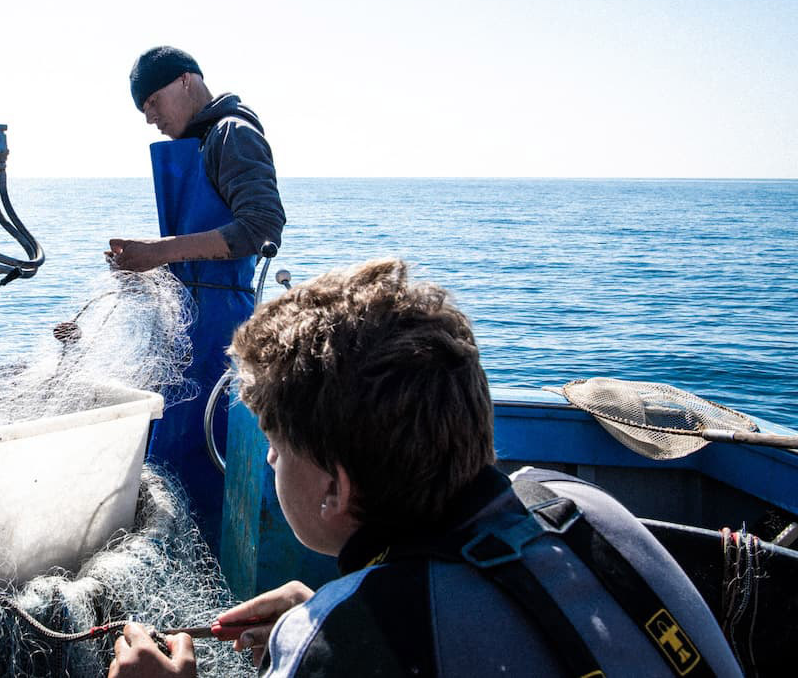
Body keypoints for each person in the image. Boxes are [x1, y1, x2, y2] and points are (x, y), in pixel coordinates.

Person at [109, 258, 742, 677]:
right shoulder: (577, 503)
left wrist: (337, 632)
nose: (269, 457)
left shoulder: (331, 652)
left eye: (274, 442)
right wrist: (331, 607)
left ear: (335, 486)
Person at [108, 46, 285, 548]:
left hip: (218, 330)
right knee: (168, 456)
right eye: (144, 111)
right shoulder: (202, 140)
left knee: (200, 460)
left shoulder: (233, 134)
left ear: (187, 81)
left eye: (154, 103)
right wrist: (143, 262)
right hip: (186, 325)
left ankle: (204, 567)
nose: (152, 118)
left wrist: (160, 251)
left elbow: (262, 226)